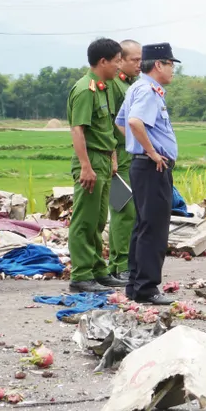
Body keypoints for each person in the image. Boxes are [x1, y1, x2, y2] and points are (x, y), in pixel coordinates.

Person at [115, 43, 180, 306]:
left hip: (142, 165)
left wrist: (139, 145)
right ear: (158, 65)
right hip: (152, 166)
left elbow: (121, 122)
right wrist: (151, 151)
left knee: (143, 226)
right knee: (154, 229)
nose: (173, 70)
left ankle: (135, 284)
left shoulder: (136, 87)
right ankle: (147, 287)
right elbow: (132, 122)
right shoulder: (148, 91)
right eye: (171, 65)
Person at [66, 38, 126, 292]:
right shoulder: (85, 90)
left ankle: (98, 270)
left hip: (103, 159)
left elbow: (107, 126)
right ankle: (81, 275)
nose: (119, 66)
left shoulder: (106, 88)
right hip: (89, 160)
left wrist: (112, 156)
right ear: (103, 61)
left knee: (99, 219)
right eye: (117, 61)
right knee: (84, 220)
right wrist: (85, 167)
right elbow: (78, 131)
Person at [107, 39, 142, 281]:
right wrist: (112, 156)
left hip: (129, 155)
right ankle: (119, 265)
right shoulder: (113, 87)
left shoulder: (130, 85)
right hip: (117, 157)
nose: (140, 64)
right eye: (135, 60)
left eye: (141, 60)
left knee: (133, 211)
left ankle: (127, 260)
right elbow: (108, 124)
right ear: (120, 61)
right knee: (122, 210)